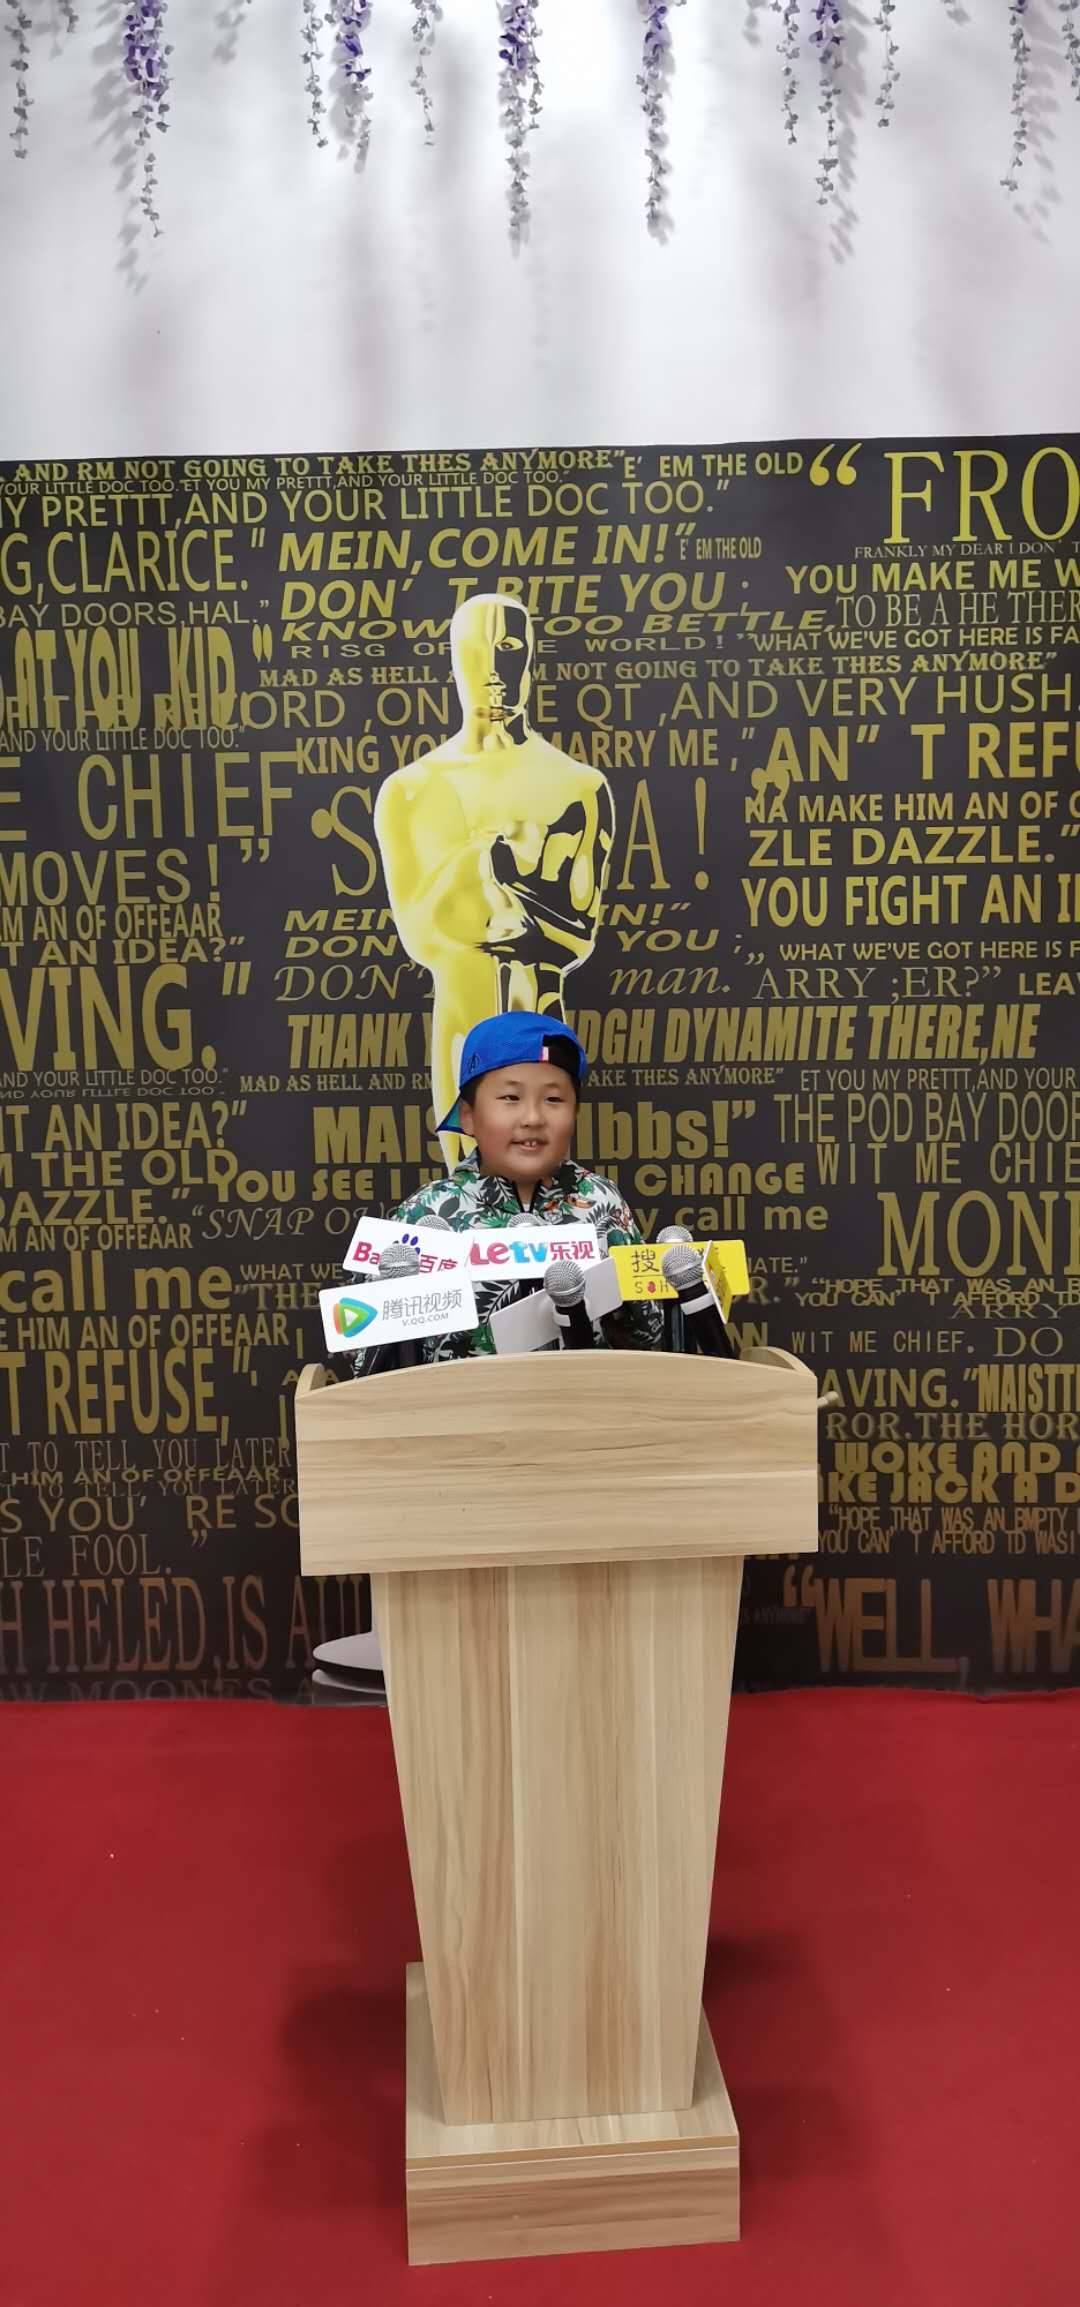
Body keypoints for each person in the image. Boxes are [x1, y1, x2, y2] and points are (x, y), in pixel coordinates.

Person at [372, 595, 615, 1167]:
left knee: (549, 1189)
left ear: (529, 656)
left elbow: (578, 933)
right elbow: (419, 933)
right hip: (460, 1030)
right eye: (474, 649)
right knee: (464, 1189)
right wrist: (486, 866)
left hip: (542, 1022)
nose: (492, 669)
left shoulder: (579, 786)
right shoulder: (411, 789)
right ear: (454, 660)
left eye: (507, 647)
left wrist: (495, 889)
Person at [352, 1010, 661, 1368]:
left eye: (553, 1099)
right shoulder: (426, 1212)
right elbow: (366, 1356)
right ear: (468, 1115)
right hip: (456, 1403)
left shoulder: (602, 1202)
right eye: (511, 1098)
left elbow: (649, 1337)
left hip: (585, 1400)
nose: (532, 1118)